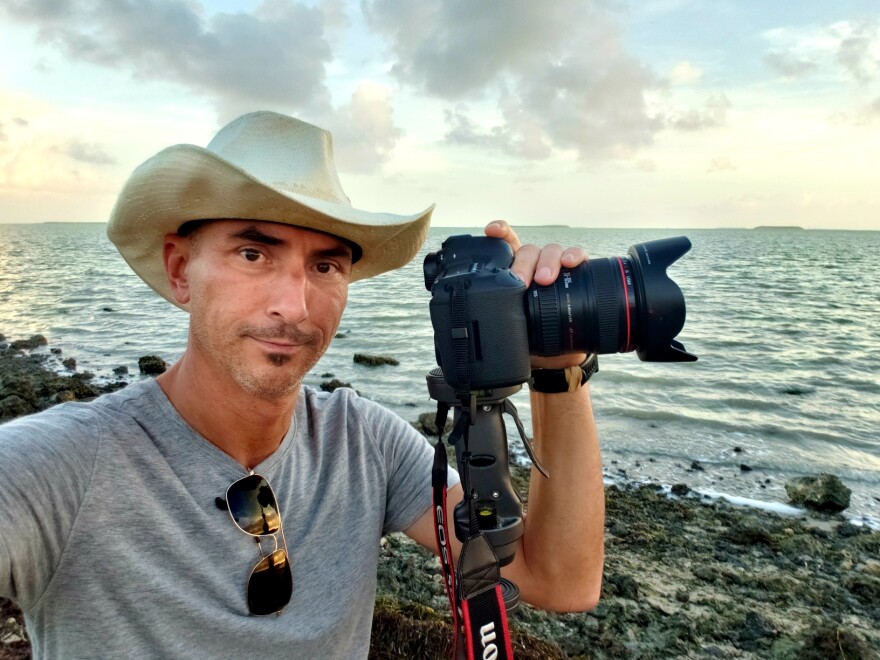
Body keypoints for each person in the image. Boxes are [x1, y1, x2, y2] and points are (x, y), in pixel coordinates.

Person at [0, 111, 604, 658]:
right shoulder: (61, 466)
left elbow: (557, 579)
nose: (295, 306)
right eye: (253, 255)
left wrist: (559, 370)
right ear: (181, 270)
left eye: (325, 266)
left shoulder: (363, 442)